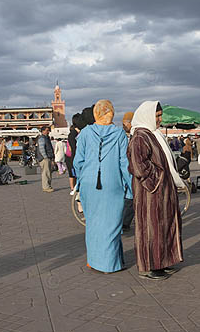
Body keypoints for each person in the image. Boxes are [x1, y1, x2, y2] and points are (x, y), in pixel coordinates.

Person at [128, 100, 185, 280]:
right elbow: (138, 165)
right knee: (151, 228)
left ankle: (164, 261)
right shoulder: (140, 137)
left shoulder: (153, 134)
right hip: (150, 193)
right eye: (157, 116)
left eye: (160, 116)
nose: (159, 119)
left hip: (163, 192)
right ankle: (151, 265)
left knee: (165, 226)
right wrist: (158, 180)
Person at [74, 100, 132, 274]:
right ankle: (109, 263)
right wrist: (130, 187)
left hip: (89, 183)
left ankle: (94, 260)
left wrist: (81, 181)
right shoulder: (119, 134)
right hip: (112, 183)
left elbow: (78, 162)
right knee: (112, 224)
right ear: (111, 113)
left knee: (93, 223)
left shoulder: (85, 133)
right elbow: (124, 163)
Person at [121, 112, 135, 232]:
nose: (123, 125)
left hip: (130, 170)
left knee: (130, 197)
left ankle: (125, 222)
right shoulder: (128, 135)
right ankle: (125, 222)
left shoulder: (135, 135)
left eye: (124, 123)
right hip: (128, 170)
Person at [36, 126, 55, 193]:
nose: (48, 131)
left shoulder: (46, 138)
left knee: (48, 172)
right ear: (43, 131)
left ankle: (48, 186)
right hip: (45, 158)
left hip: (48, 157)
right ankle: (46, 187)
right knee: (46, 173)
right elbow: (42, 148)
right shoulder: (42, 138)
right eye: (47, 130)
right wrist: (45, 157)